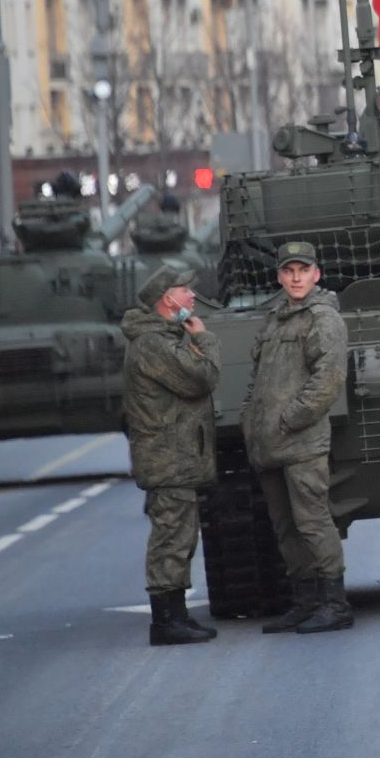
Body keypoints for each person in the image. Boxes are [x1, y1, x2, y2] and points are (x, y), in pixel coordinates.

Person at [244, 241, 353, 634]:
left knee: (312, 521)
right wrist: (251, 422)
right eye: (288, 270)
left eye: (302, 270)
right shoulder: (275, 319)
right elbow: (258, 381)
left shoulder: (323, 319)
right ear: (279, 276)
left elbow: (328, 380)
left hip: (302, 441)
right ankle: (305, 601)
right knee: (285, 526)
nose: (295, 277)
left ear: (316, 274)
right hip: (270, 443)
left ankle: (335, 603)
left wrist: (289, 420)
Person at [122, 263, 222, 646]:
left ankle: (176, 616)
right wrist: (206, 340)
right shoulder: (154, 343)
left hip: (175, 455)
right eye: (186, 290)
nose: (193, 297)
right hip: (168, 457)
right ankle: (166, 622)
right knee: (171, 538)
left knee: (180, 537)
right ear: (168, 299)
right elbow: (201, 378)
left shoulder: (161, 336)